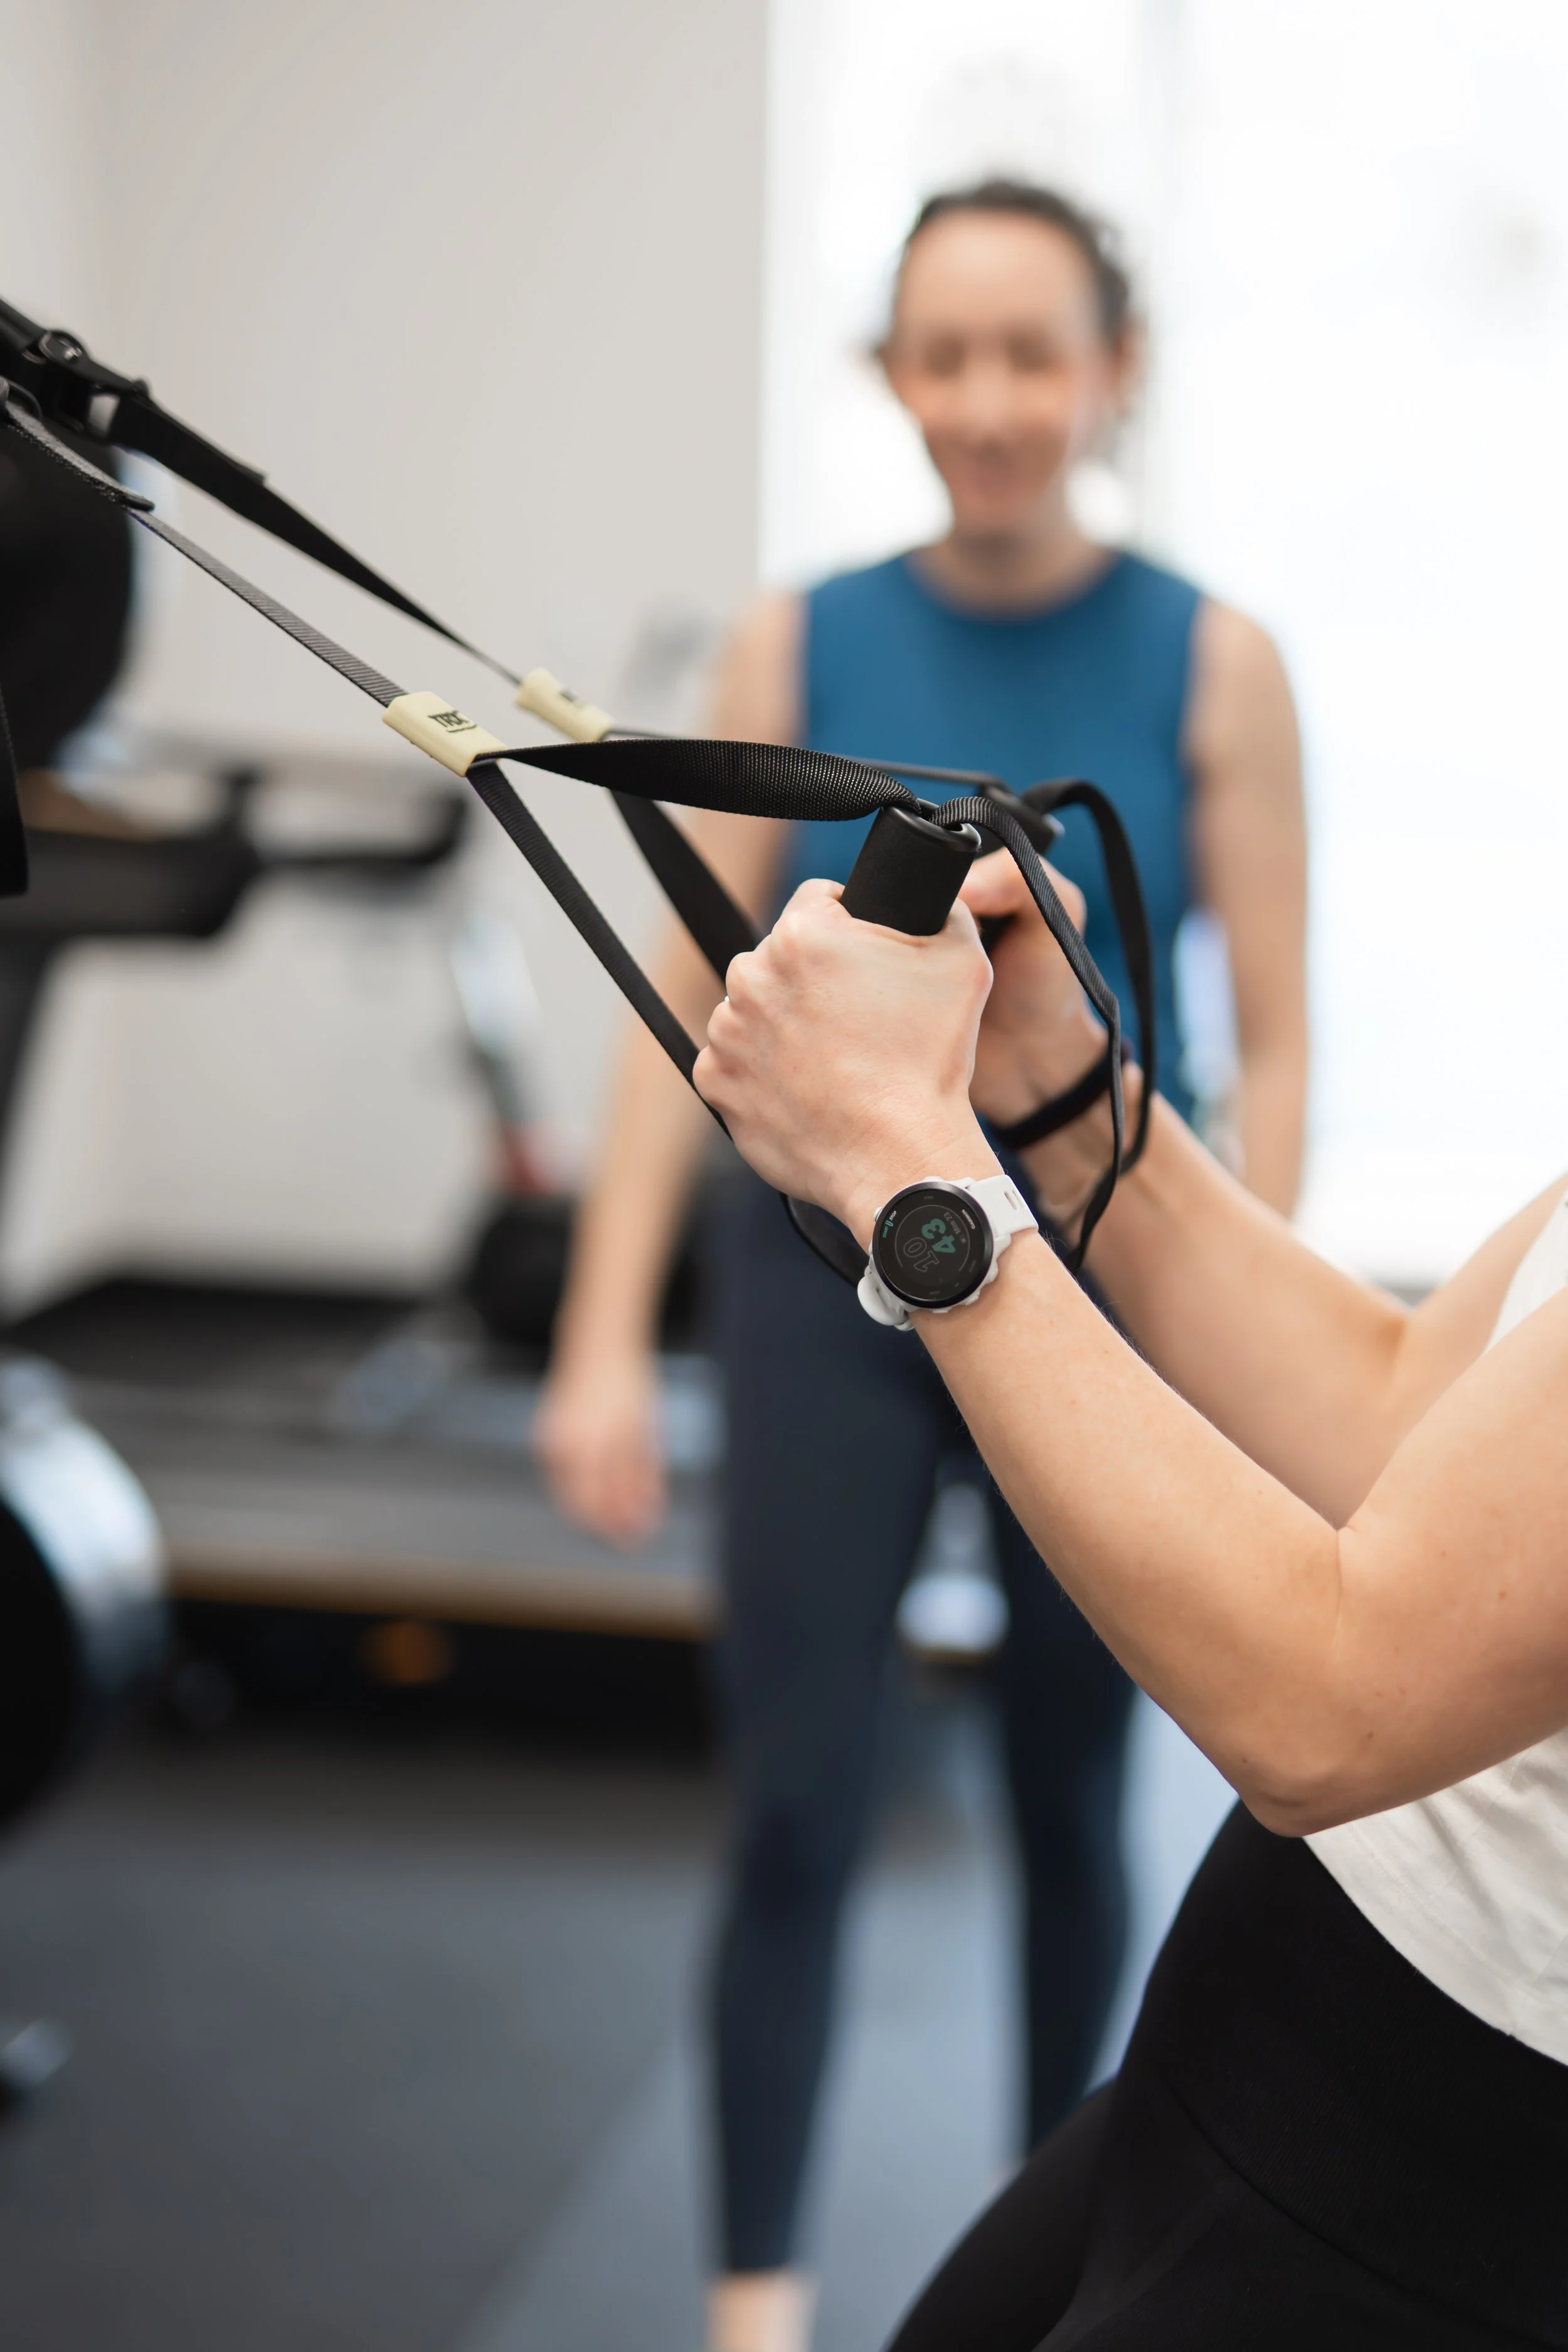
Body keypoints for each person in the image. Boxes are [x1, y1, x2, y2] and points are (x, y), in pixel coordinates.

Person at [537, 181, 1306, 2352]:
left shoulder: (1214, 660)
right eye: (941, 353)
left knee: (1072, 1801)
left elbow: (1275, 1040)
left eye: (1029, 351)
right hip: (818, 1284)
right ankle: (752, 2309)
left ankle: (1051, 2279)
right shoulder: (792, 641)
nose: (985, 400)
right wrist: (601, 1334)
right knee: (795, 1801)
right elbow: (679, 999)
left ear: (1112, 370)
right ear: (889, 373)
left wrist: (1245, 1347)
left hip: (1100, 1281)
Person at [694, 843, 1568, 2349]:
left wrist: (910, 1168)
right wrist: (1048, 1084)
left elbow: (1329, 1704)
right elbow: (1392, 1414)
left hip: (1454, 2186)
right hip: (1253, 2032)